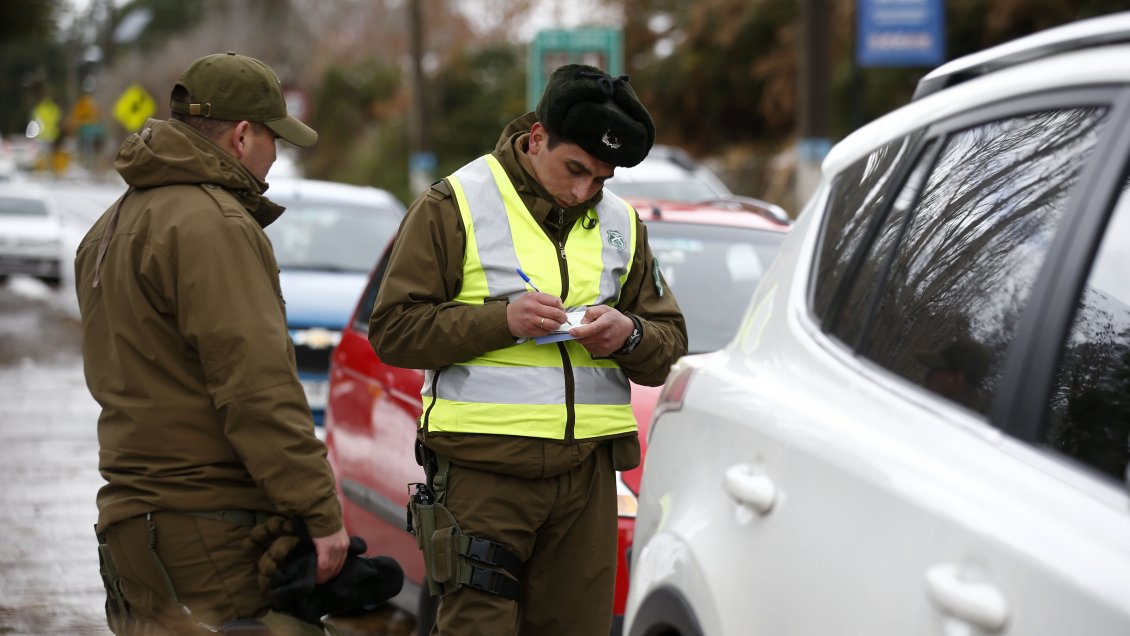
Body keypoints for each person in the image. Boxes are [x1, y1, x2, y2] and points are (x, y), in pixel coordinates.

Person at [369, 64, 689, 635]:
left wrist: (628, 335)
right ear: (536, 137)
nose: (583, 190)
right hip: (482, 476)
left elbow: (670, 346)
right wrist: (502, 321)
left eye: (601, 178)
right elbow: (393, 329)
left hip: (587, 482)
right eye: (575, 170)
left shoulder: (622, 224)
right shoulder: (455, 204)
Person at [75, 52, 349, 635]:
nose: (277, 156)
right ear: (244, 135)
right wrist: (320, 513)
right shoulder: (215, 225)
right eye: (276, 138)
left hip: (133, 524)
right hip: (207, 529)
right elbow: (257, 390)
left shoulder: (109, 228)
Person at [915, 336, 992, 411]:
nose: (926, 376)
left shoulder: (938, 420)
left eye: (934, 369)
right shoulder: (976, 419)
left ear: (954, 380)